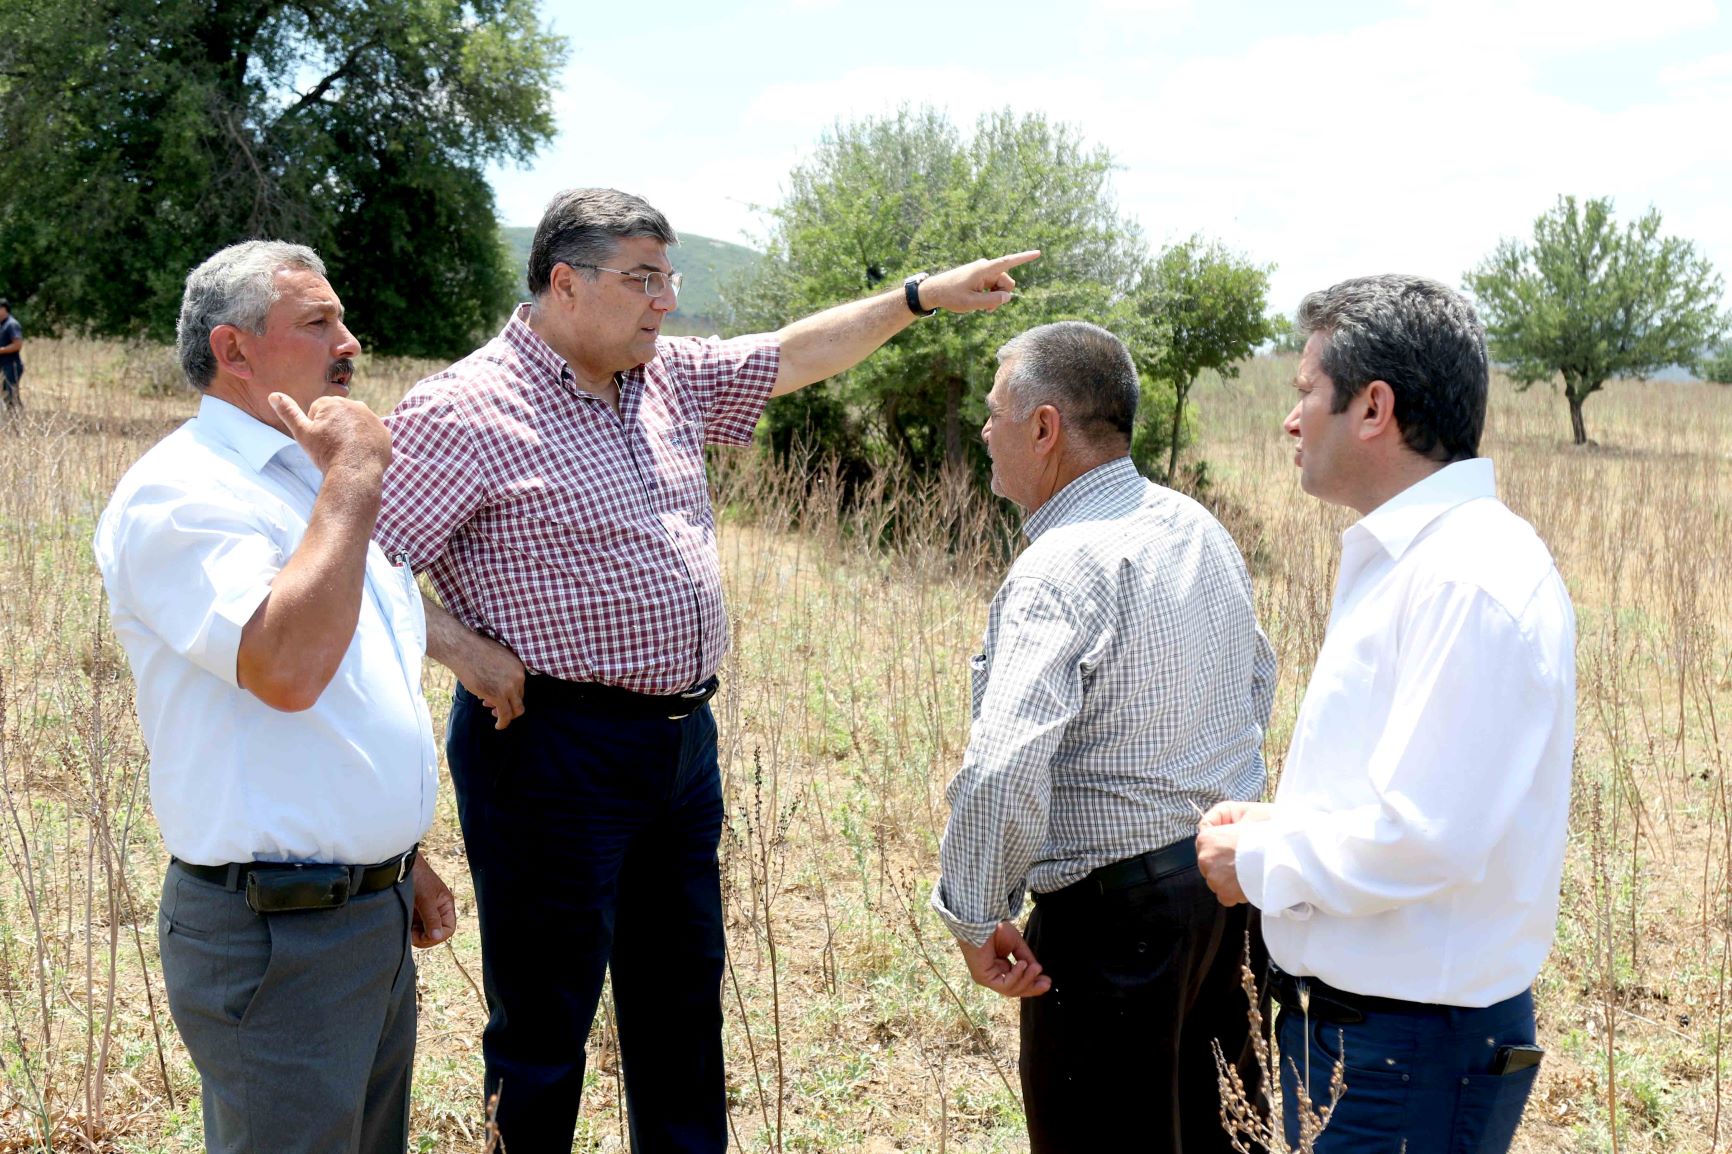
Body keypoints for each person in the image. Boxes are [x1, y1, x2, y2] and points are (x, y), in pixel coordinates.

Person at [372, 186, 1036, 1153]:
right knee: (545, 1023)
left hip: (682, 746)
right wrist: (464, 650)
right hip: (549, 748)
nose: (665, 301)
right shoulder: (462, 409)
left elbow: (796, 353)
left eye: (668, 277)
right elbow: (358, 560)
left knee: (681, 1005)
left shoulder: (666, 379)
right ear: (565, 282)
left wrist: (920, 297)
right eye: (643, 278)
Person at [1195, 275, 1576, 1154]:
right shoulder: (1417, 561)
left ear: (1373, 408)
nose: (1291, 420)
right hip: (1369, 1039)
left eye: (1304, 394)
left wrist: (1256, 856)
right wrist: (1281, 824)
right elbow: (1406, 798)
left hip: (1407, 1054)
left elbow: (1428, 838)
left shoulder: (1465, 578)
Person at [93, 240, 458, 1154]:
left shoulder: (303, 479)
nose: (351, 343)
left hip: (356, 918)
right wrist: (355, 476)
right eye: (318, 322)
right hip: (277, 940)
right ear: (236, 349)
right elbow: (287, 669)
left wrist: (391, 857)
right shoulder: (182, 496)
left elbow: (349, 691)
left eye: (340, 318)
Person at [930, 321, 1277, 1154]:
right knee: (1222, 1137)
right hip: (1230, 900)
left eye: (995, 414)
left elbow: (1003, 763)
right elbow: (1257, 683)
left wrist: (976, 916)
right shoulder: (1196, 526)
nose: (984, 432)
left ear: (1045, 428)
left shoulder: (1060, 564)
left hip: (1114, 929)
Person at [0, 298, 23, 410]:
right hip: (3, 365)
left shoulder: (12, 324)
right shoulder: (2, 324)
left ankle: (17, 422)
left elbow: (17, 345)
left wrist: (1, 350)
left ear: (4, 309)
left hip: (11, 365)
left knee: (11, 396)